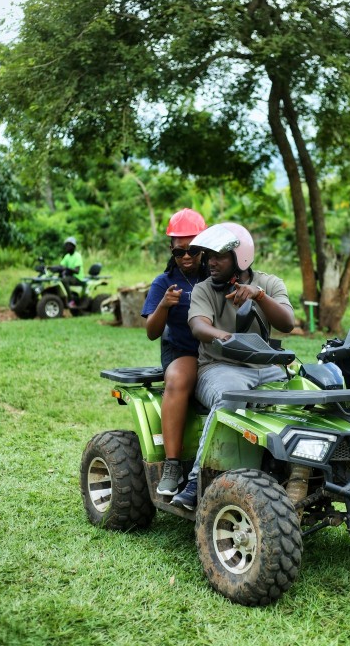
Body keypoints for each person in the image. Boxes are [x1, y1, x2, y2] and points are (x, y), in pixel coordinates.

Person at [171, 222, 295, 510]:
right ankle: (195, 481)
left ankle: (292, 470)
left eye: (219, 256)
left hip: (267, 368)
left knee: (300, 397)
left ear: (241, 258)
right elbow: (199, 326)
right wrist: (224, 336)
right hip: (218, 367)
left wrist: (258, 296)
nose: (211, 262)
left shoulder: (270, 283)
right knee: (231, 396)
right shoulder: (203, 289)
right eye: (209, 255)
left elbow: (287, 322)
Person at [141, 208, 208, 496]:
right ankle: (172, 464)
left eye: (193, 250)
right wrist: (164, 305)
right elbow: (152, 331)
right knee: (180, 380)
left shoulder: (218, 274)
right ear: (171, 248)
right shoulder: (163, 282)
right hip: (182, 350)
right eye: (180, 252)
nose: (187, 258)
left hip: (220, 351)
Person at [56, 237, 85, 308]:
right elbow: (61, 266)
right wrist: (49, 267)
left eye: (68, 245)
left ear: (73, 246)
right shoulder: (67, 256)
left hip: (77, 278)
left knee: (64, 280)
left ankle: (71, 300)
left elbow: (77, 271)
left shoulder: (77, 256)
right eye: (65, 245)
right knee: (56, 279)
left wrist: (67, 268)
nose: (66, 247)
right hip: (70, 277)